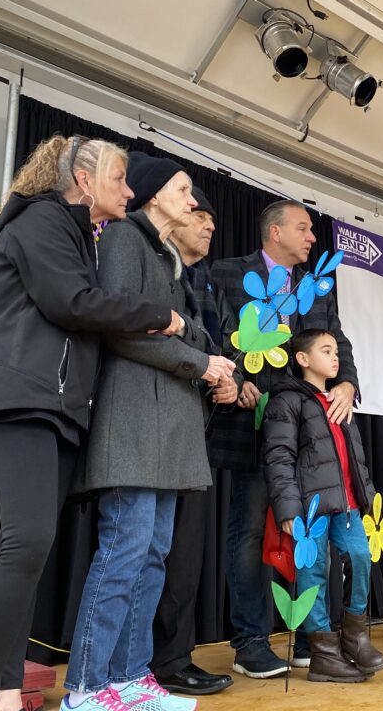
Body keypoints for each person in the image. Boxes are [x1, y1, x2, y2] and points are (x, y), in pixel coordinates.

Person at [0, 136, 184, 711]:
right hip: (18, 400)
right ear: (83, 179)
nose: (130, 191)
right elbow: (71, 301)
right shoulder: (40, 221)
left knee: (28, 553)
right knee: (26, 544)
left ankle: (5, 692)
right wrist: (160, 316)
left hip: (56, 411)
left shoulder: (78, 235)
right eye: (120, 178)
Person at [62, 154, 235, 711]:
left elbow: (183, 335)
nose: (192, 201)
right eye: (184, 190)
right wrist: (199, 366)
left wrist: (219, 362)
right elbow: (120, 330)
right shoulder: (122, 242)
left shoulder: (166, 259)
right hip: (133, 429)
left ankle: (131, 679)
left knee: (152, 557)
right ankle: (85, 687)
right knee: (122, 555)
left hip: (166, 436)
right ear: (155, 194)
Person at [211, 200, 359, 678]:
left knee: (310, 534)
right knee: (252, 529)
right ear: (274, 232)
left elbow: (339, 341)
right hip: (251, 425)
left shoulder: (317, 288)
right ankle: (250, 641)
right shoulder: (230, 273)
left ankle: (309, 635)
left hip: (312, 434)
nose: (313, 237)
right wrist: (232, 376)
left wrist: (347, 383)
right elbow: (216, 334)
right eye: (303, 228)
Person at [150, 185, 239, 696]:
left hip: (197, 432)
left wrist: (231, 378)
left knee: (184, 555)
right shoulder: (154, 266)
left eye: (211, 219)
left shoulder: (207, 281)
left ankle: (173, 660)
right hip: (154, 428)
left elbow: (223, 343)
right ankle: (135, 664)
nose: (208, 225)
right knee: (144, 552)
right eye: (198, 213)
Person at [262, 329, 383, 683]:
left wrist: (364, 495)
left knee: (360, 558)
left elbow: (353, 457)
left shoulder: (338, 400)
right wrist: (288, 509)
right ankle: (323, 652)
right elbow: (279, 457)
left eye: (337, 351)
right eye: (326, 351)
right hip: (309, 509)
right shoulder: (286, 401)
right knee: (313, 571)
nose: (336, 358)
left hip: (346, 504)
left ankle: (355, 637)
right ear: (302, 359)